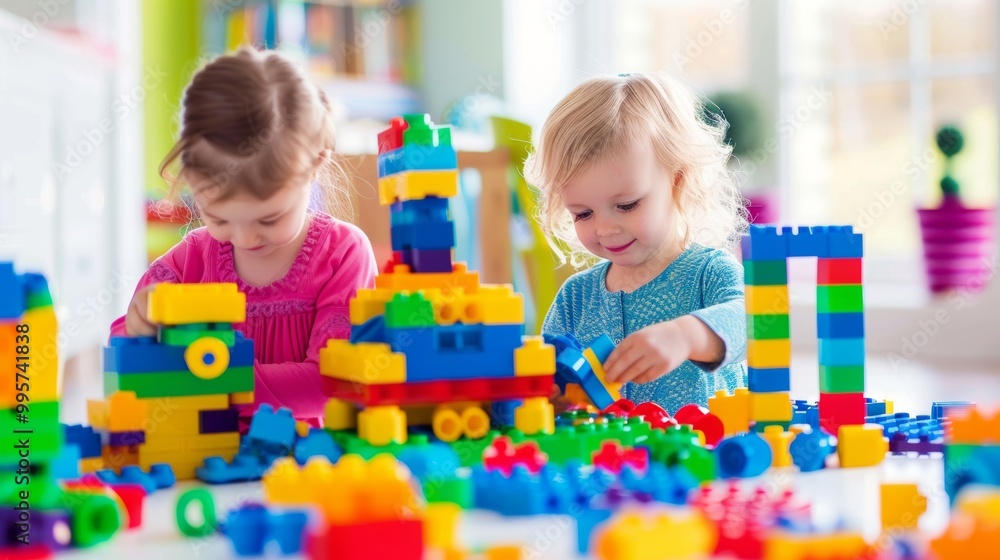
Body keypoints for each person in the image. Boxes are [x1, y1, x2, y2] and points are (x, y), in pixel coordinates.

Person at [110, 47, 377, 426]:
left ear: (316, 165)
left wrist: (216, 381)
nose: (245, 237)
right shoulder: (190, 261)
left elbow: (334, 381)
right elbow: (125, 363)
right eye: (218, 218)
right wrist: (136, 329)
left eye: (269, 219)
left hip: (306, 466)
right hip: (202, 461)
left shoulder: (342, 254)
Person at [525, 73, 748, 414]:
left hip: (705, 458)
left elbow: (754, 321)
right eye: (582, 214)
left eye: (627, 205)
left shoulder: (709, 273)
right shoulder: (575, 297)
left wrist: (687, 336)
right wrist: (550, 395)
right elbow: (547, 370)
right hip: (610, 462)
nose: (605, 229)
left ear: (678, 180)